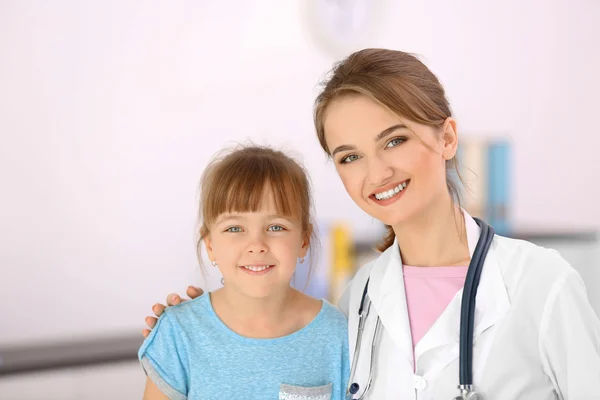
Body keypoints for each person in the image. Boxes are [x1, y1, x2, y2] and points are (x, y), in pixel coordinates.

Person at [143, 49, 600, 399]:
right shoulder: (360, 300)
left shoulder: (541, 284)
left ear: (447, 137)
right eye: (350, 157)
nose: (376, 173)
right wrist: (208, 320)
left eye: (394, 140)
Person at [138, 144, 350, 399]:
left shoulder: (339, 335)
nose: (256, 246)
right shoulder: (178, 333)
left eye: (276, 227)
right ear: (210, 245)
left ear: (304, 240)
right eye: (235, 229)